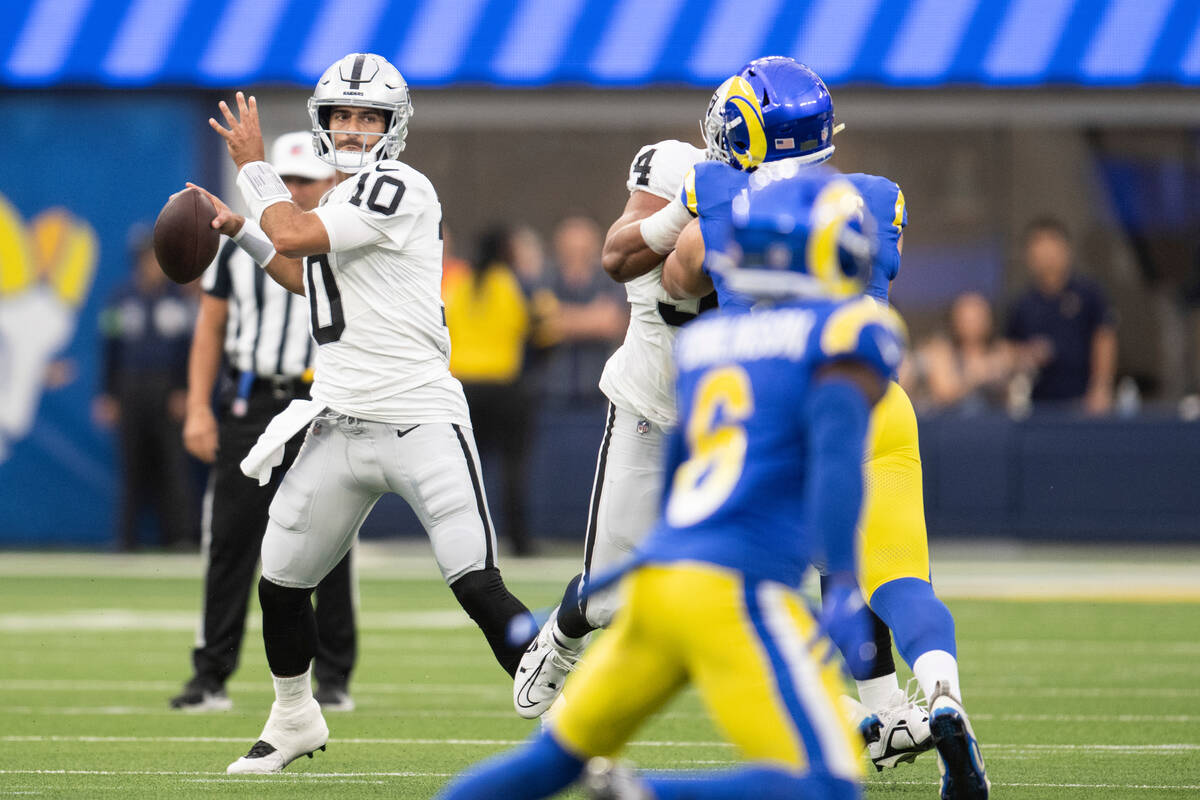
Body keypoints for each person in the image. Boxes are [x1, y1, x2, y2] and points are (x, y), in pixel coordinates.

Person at [441, 167, 897, 800]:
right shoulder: (846, 337)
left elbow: (679, 487)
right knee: (827, 786)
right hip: (736, 591)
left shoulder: (712, 341)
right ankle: (648, 792)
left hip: (662, 585)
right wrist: (843, 586)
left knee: (551, 763)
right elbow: (838, 474)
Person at [616, 57, 988, 797]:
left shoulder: (718, 187)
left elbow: (675, 282)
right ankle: (941, 694)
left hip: (781, 401)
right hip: (875, 393)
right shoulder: (879, 196)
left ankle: (852, 723)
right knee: (902, 579)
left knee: (752, 594)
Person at [186, 52, 535, 774]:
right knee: (280, 583)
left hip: (417, 420)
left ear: (391, 127)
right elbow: (301, 271)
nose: (351, 127)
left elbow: (294, 235)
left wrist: (254, 170)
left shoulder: (399, 185)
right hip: (340, 421)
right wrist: (239, 230)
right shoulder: (343, 200)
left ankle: (576, 712)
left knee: (476, 582)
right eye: (340, 115)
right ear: (323, 122)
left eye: (366, 116)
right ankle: (292, 719)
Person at [513, 136, 708, 716]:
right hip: (649, 409)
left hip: (731, 421)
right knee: (610, 595)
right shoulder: (679, 167)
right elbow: (634, 257)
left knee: (758, 592)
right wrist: (693, 209)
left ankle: (861, 710)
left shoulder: (783, 194)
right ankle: (563, 638)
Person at [169, 132, 357, 713]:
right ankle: (212, 674)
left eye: (307, 179)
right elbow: (211, 327)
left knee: (328, 542)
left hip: (318, 404)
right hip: (251, 403)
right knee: (229, 540)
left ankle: (333, 675)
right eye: (289, 178)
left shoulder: (343, 240)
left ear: (329, 184)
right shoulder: (235, 249)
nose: (297, 188)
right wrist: (199, 405)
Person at [94, 230, 196, 551]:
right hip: (130, 386)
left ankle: (178, 536)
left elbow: (191, 348)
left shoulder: (178, 300)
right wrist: (107, 393)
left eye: (157, 258)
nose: (153, 265)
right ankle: (126, 538)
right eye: (147, 258)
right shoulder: (120, 298)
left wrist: (184, 389)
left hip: (167, 387)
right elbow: (109, 348)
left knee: (173, 464)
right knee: (131, 465)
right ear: (137, 261)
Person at [443, 227, 536, 556]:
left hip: (463, 388)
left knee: (464, 468)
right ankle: (518, 542)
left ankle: (460, 541)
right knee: (513, 467)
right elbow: (537, 328)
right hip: (503, 386)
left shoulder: (458, 282)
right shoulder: (511, 283)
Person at [1006, 216, 1117, 415]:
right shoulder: (1023, 303)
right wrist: (1028, 353)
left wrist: (1101, 387)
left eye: (1051, 245)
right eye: (1038, 247)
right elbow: (1010, 347)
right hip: (1039, 403)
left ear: (1065, 249)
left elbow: (1104, 337)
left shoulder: (1087, 293)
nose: (1045, 254)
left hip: (1083, 399)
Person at [538, 216, 628, 409]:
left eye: (582, 249)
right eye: (571, 249)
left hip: (597, 392)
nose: (577, 255)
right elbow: (542, 325)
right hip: (551, 393)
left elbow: (611, 323)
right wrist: (592, 316)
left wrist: (562, 316)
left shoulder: (610, 279)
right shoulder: (544, 280)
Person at [907, 292, 1016, 415]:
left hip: (993, 423)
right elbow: (944, 393)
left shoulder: (1000, 350)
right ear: (954, 320)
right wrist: (977, 375)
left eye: (977, 317)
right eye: (966, 318)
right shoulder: (942, 350)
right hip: (950, 424)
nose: (971, 324)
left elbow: (1012, 396)